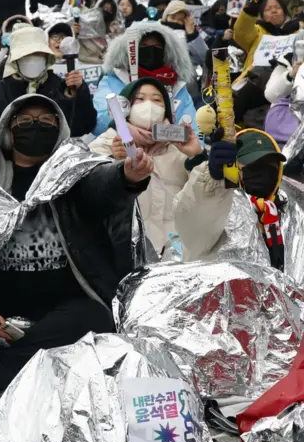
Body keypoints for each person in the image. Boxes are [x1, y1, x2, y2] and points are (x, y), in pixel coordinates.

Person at [0, 94, 153, 395]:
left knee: (95, 322)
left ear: (59, 129)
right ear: (8, 131)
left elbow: (103, 185)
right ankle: (32, 358)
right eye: (25, 120)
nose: (35, 126)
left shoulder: (76, 172)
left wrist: (127, 175)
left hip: (64, 305)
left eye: (46, 120)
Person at [88, 80, 193, 256]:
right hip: (122, 255)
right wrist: (115, 165)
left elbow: (202, 197)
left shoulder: (180, 148)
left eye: (157, 100)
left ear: (167, 109)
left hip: (175, 256)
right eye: (140, 99)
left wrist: (197, 156)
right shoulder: (105, 144)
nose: (149, 106)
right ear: (126, 106)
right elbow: (90, 193)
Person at [173, 129, 297, 271]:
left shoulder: (287, 212)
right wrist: (213, 178)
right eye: (253, 165)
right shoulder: (221, 206)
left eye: (270, 165)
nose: (262, 171)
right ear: (233, 167)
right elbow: (193, 221)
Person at [0, 25, 94, 154]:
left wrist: (79, 93)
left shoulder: (61, 89)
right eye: (26, 55)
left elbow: (83, 127)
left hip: (53, 157)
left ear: (47, 57)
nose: (33, 59)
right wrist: (7, 137)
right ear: (15, 60)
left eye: (38, 54)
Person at [91, 22, 199, 135]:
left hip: (167, 145)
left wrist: (159, 134)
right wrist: (125, 128)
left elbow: (192, 133)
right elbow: (98, 123)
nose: (151, 51)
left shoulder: (177, 87)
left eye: (157, 46)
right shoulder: (113, 81)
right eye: (143, 46)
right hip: (120, 144)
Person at [233, 0, 300, 85]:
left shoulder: (298, 32)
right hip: (254, 82)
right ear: (262, 16)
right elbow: (241, 33)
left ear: (285, 12)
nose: (274, 11)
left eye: (278, 7)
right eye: (268, 9)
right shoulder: (257, 32)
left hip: (288, 83)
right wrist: (250, 12)